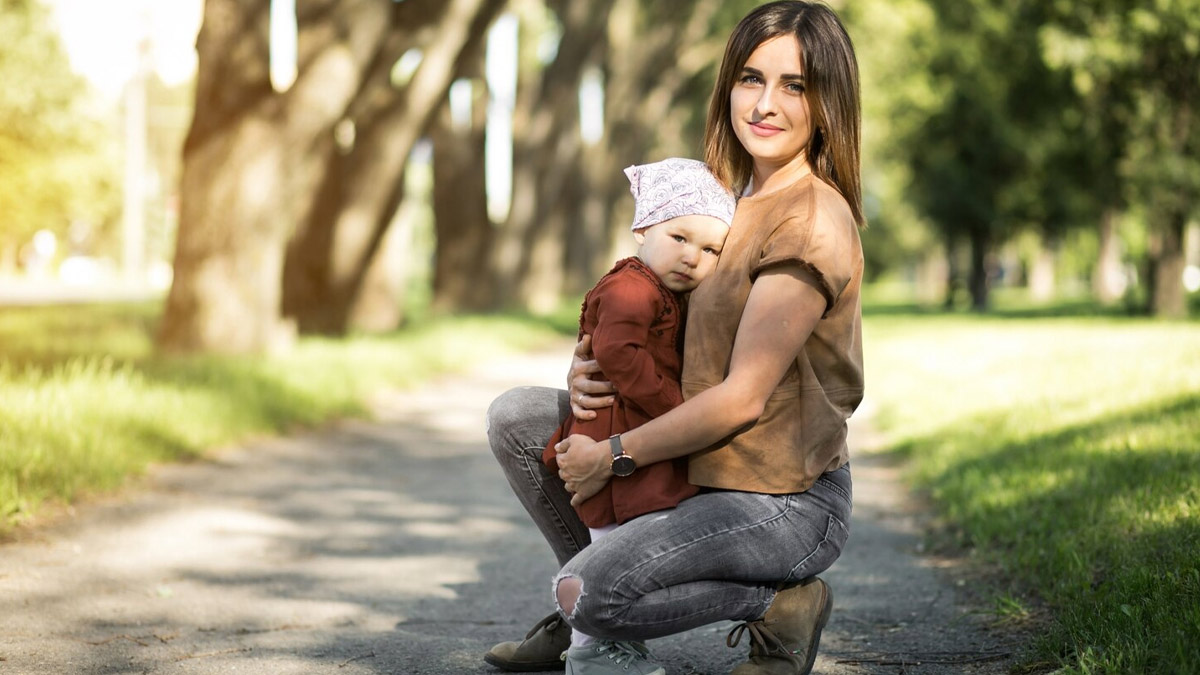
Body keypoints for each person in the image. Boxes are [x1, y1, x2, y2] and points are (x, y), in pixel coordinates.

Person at [484, 2, 864, 673]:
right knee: (518, 418)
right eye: (751, 78)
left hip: (781, 501)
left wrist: (616, 451)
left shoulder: (810, 220)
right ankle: (593, 620)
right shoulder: (729, 200)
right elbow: (664, 318)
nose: (765, 103)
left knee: (590, 589)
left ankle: (773, 603)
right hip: (701, 470)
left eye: (794, 85)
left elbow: (742, 398)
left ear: (827, 100)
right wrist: (590, 370)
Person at [541, 157, 736, 674]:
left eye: (711, 248)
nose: (693, 257)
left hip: (626, 425)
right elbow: (617, 351)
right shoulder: (633, 287)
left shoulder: (660, 289)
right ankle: (592, 648)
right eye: (680, 237)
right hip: (613, 427)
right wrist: (676, 408)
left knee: (622, 533)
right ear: (643, 228)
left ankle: (595, 637)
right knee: (613, 535)